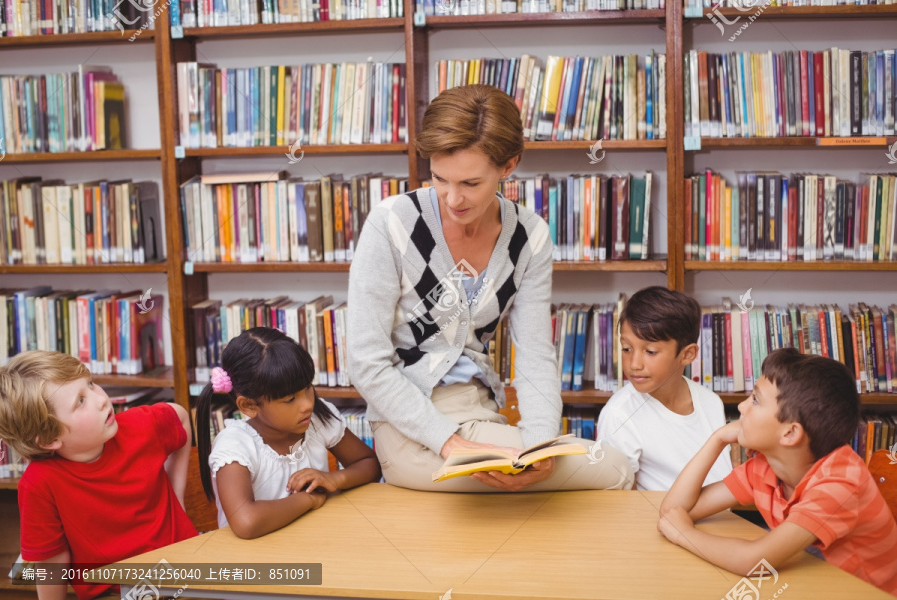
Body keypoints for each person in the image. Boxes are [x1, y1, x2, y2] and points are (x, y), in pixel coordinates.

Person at [346, 83, 632, 493]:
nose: (451, 198)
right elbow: (365, 362)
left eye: (470, 183)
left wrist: (540, 446)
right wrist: (447, 440)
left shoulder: (529, 237)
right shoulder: (392, 223)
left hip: (480, 415)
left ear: (508, 166)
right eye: (439, 178)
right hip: (407, 427)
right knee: (615, 470)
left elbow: (534, 353)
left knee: (591, 471)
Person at [658, 348, 897, 595]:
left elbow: (754, 561)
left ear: (790, 433)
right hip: (815, 577)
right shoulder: (767, 466)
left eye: (755, 400)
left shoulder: (841, 484)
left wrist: (684, 534)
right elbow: (672, 512)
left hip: (863, 592)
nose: (741, 407)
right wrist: (717, 439)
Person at [0, 351, 197, 600]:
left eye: (90, 384)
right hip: (113, 591)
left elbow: (179, 416)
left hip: (187, 571)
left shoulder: (143, 425)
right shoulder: (39, 484)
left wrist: (178, 499)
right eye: (80, 401)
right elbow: (52, 562)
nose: (101, 399)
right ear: (50, 439)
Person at [196, 327, 381, 539]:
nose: (307, 405)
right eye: (290, 399)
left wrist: (334, 479)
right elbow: (246, 522)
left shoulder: (317, 417)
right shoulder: (235, 445)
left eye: (307, 388)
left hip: (315, 543)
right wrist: (308, 500)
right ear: (248, 406)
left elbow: (370, 464)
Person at [596, 286, 731, 490]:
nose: (634, 364)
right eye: (626, 349)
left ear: (687, 354)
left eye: (650, 351)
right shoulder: (619, 415)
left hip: (720, 519)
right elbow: (618, 502)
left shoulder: (710, 401)